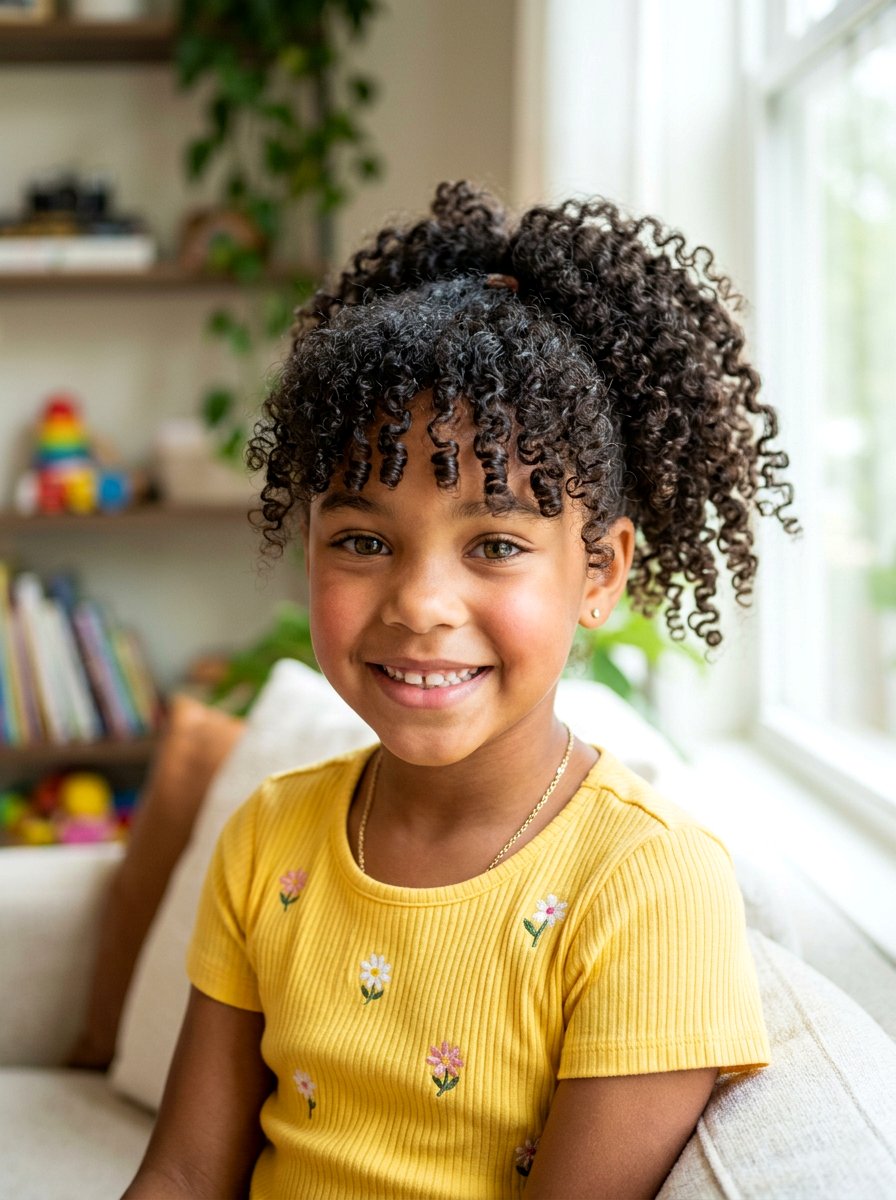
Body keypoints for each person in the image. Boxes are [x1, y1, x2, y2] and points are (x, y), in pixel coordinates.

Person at [124, 182, 797, 1200]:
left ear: (600, 573)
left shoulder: (647, 888)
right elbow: (180, 1174)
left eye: (493, 544)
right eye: (361, 541)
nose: (421, 603)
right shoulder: (268, 837)